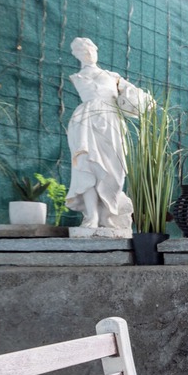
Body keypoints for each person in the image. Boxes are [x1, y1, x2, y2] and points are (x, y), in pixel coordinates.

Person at [65, 37, 151, 231]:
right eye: (81, 51)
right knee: (87, 167)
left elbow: (135, 97)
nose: (87, 54)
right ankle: (92, 217)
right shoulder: (77, 77)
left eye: (90, 50)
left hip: (111, 121)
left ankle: (107, 214)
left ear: (96, 51)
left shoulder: (113, 76)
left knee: (114, 168)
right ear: (75, 55)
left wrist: (143, 101)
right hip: (85, 121)